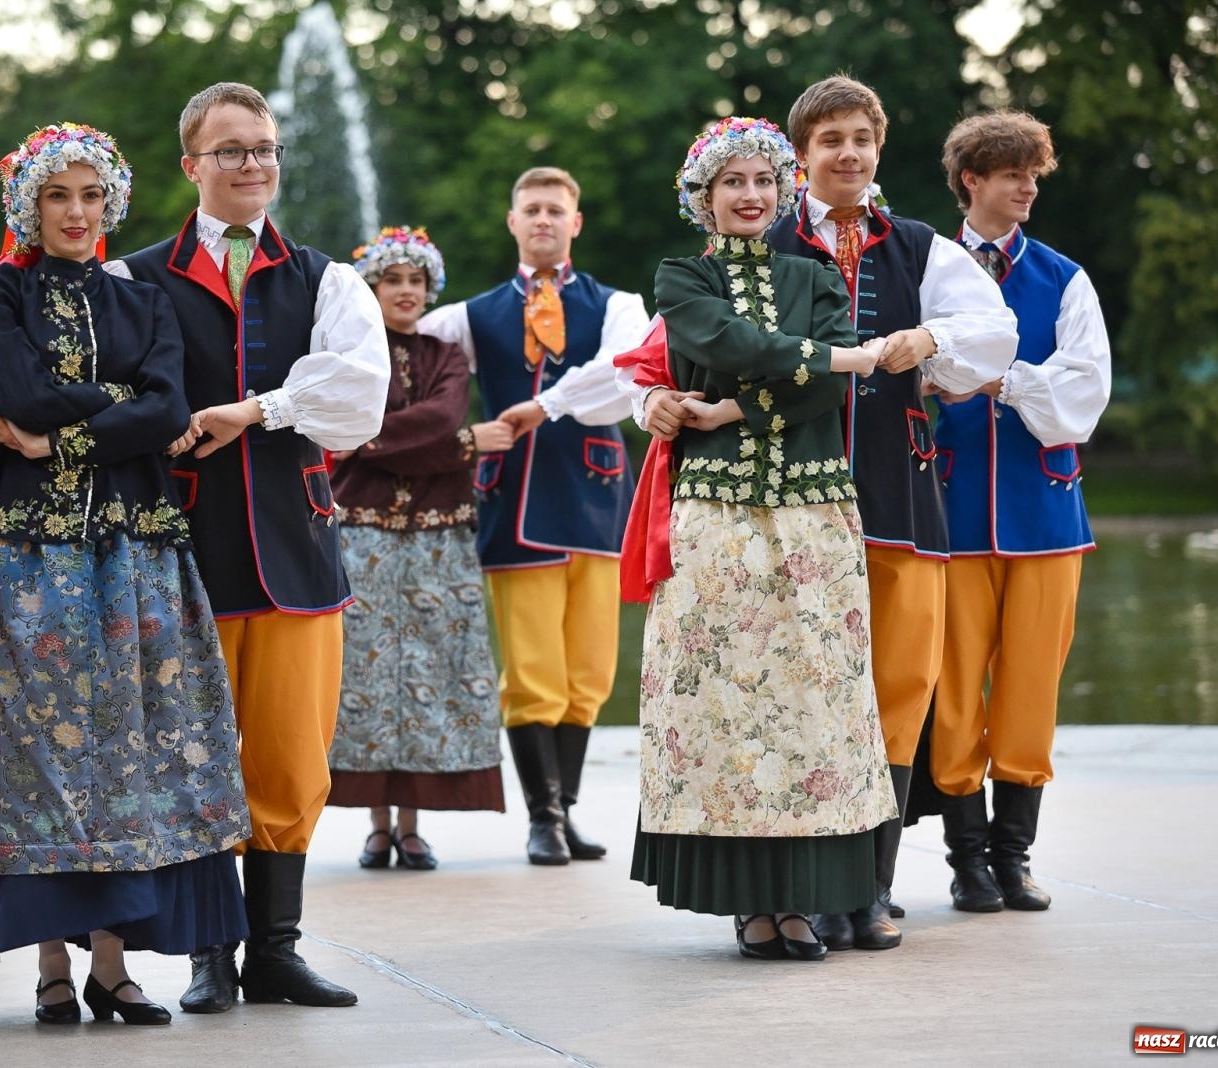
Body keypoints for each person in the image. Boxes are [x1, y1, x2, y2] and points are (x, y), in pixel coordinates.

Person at [0, 84, 389, 1010]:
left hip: (294, 543)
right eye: (230, 150)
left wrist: (258, 410)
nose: (252, 165)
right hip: (167, 546)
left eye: (263, 147)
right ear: (190, 166)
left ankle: (275, 948)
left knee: (291, 758)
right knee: (183, 753)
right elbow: (2, 354)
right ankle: (206, 957)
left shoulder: (324, 275)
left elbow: (356, 399)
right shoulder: (131, 275)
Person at [0, 123, 251, 1028]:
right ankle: (52, 966)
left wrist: (56, 434)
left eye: (91, 196)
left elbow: (170, 409)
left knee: (136, 748)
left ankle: (115, 965)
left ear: (112, 204)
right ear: (29, 205)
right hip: (34, 557)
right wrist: (114, 408)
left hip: (137, 545)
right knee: (42, 751)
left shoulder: (138, 294)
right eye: (58, 195)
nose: (76, 212)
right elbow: (27, 394)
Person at [619, 115, 895, 961]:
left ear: (781, 193)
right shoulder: (681, 277)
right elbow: (721, 339)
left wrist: (739, 403)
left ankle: (802, 903)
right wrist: (832, 359)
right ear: (703, 198)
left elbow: (816, 393)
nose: (751, 196)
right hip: (716, 519)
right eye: (732, 183)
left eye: (764, 183)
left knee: (815, 702)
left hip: (813, 515)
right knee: (726, 704)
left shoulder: (813, 274)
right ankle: (749, 907)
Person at [765, 75, 1019, 951]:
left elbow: (993, 331)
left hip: (902, 497)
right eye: (829, 138)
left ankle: (870, 892)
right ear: (802, 156)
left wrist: (932, 339)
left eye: (860, 138)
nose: (847, 153)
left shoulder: (919, 247)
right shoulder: (760, 238)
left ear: (878, 151)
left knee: (901, 690)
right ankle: (811, 889)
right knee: (805, 691)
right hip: (790, 501)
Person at [419, 167, 650, 867]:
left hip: (596, 496)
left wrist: (550, 403)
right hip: (512, 497)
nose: (544, 219)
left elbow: (627, 367)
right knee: (533, 671)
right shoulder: (469, 315)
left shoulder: (619, 304)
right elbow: (409, 370)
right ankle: (542, 818)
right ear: (512, 222)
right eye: (532, 209)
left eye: (556, 209)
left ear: (575, 223)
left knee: (590, 670)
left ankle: (568, 811)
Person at [918, 110, 1111, 913]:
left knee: (1031, 688)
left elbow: (1081, 397)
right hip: (951, 513)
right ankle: (965, 860)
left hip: (1046, 514)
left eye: (1034, 173)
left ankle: (1014, 855)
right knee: (956, 687)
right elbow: (911, 371)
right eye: (1012, 174)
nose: (1028, 187)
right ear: (972, 180)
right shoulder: (925, 270)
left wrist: (1001, 379)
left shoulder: (1064, 278)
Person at [326, 226, 512, 871]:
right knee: (368, 674)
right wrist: (463, 444)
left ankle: (412, 824)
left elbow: (438, 419)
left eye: (416, 281)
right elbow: (435, 428)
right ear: (371, 289)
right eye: (392, 281)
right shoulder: (349, 357)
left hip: (439, 533)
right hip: (363, 532)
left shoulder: (444, 354)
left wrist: (366, 442)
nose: (405, 292)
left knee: (436, 667)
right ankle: (377, 826)